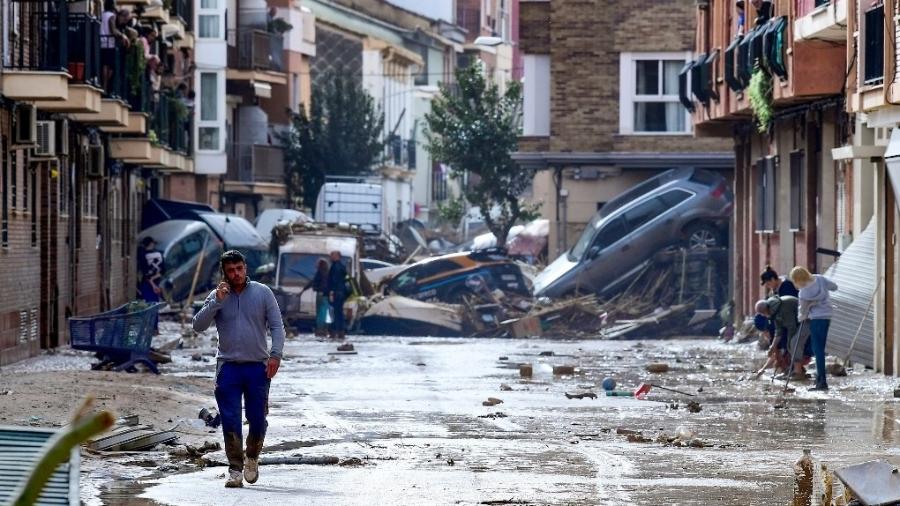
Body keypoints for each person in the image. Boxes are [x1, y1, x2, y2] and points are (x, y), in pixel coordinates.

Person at [192, 250, 286, 488]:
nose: (236, 274)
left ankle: (252, 457)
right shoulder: (217, 296)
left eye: (239, 269)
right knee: (231, 419)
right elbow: (198, 326)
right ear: (224, 272)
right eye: (230, 270)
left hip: (258, 367)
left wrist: (275, 355)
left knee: (256, 418)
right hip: (228, 368)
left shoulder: (263, 293)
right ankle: (234, 468)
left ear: (245, 268)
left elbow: (277, 326)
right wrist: (216, 302)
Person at [790, 266, 838, 391]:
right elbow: (834, 287)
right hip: (827, 316)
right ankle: (819, 380)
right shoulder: (820, 279)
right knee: (820, 349)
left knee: (818, 351)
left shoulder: (803, 293)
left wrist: (806, 311)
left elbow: (803, 312)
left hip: (815, 319)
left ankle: (821, 382)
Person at [754, 295, 806, 380]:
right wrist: (773, 346)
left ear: (766, 310)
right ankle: (796, 369)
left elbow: (791, 327)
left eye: (763, 314)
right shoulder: (773, 312)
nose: (764, 315)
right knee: (789, 346)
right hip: (795, 324)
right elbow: (778, 332)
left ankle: (798, 372)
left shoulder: (782, 308)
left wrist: (788, 344)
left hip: (805, 320)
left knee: (792, 344)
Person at [301, 258, 330, 337]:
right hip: (326, 295)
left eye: (317, 263)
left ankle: (320, 330)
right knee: (324, 312)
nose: (315, 264)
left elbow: (313, 282)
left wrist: (304, 289)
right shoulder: (327, 272)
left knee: (320, 312)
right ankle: (325, 329)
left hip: (320, 294)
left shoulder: (320, 272)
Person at [327, 250, 349, 339]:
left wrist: (331, 292)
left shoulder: (335, 267)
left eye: (332, 255)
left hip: (337, 293)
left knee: (334, 313)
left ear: (337, 256)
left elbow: (334, 280)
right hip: (341, 292)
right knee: (339, 313)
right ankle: (340, 332)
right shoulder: (342, 266)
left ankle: (335, 332)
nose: (330, 257)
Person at [138, 236, 164, 303]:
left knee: (149, 304)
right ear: (151, 244)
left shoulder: (142, 255)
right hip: (157, 282)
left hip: (147, 284)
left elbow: (145, 272)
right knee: (155, 304)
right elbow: (163, 270)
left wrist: (153, 285)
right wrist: (156, 284)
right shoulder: (159, 254)